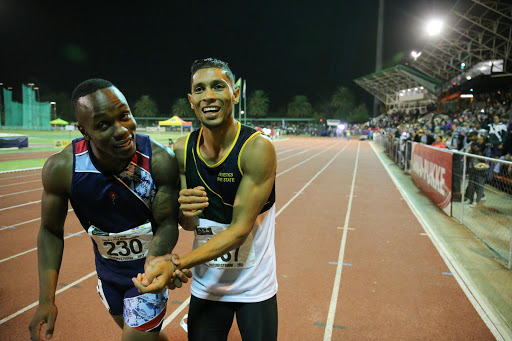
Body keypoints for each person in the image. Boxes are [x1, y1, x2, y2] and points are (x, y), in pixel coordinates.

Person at [29, 78, 189, 341]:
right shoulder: (63, 169)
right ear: (84, 131)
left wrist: (155, 264)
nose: (122, 130)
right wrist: (46, 300)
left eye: (124, 116)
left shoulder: (159, 161)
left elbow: (167, 223)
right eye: (103, 124)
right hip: (107, 276)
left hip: (148, 276)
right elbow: (50, 231)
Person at [134, 58, 278, 340]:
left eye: (218, 87)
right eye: (200, 90)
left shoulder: (257, 148)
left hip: (255, 286)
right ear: (191, 100)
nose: (209, 96)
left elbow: (239, 230)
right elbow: (190, 224)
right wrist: (186, 211)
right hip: (206, 287)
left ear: (235, 94)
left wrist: (177, 264)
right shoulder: (183, 148)